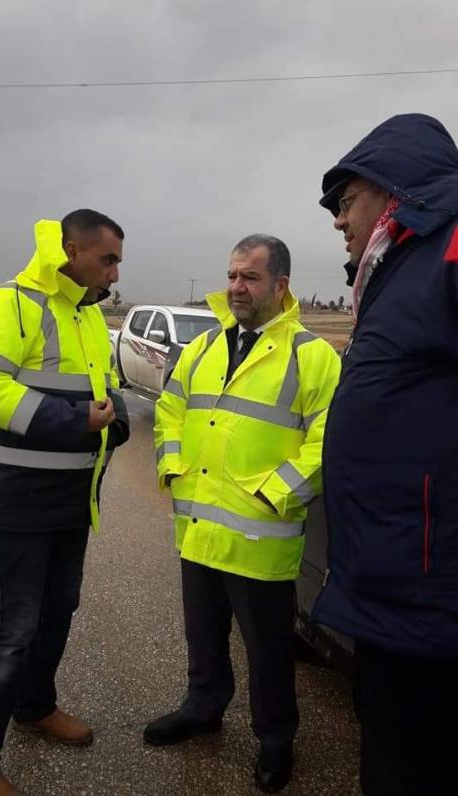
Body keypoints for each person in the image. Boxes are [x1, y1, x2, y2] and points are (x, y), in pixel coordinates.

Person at [145, 234, 341, 793]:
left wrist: (276, 494)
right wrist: (173, 468)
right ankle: (202, 707)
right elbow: (170, 410)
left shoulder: (312, 356)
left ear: (280, 285)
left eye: (250, 277)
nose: (236, 287)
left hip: (261, 537)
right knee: (203, 636)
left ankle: (276, 739)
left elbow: (328, 440)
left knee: (269, 651)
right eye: (232, 275)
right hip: (199, 527)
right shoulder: (204, 346)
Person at [0, 210, 129, 796]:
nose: (115, 272)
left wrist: (115, 419)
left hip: (73, 502)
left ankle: (35, 706)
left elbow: (104, 391)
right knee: (10, 631)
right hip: (21, 504)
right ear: (71, 251)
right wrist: (76, 420)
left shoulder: (89, 315)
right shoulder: (9, 303)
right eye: (107, 259)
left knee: (57, 612)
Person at [314, 113, 458, 795]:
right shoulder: (397, 270)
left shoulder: (448, 247)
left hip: (430, 591)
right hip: (394, 579)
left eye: (346, 201)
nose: (339, 221)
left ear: (394, 184)